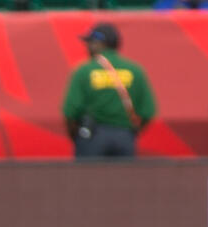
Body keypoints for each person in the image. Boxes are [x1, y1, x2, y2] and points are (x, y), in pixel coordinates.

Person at [64, 23, 153, 160]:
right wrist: (131, 132)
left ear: (99, 44)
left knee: (89, 180)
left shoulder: (84, 71)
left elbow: (70, 111)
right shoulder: (135, 71)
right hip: (124, 136)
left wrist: (76, 136)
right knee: (123, 180)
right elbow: (148, 112)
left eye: (90, 42)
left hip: (91, 137)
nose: (87, 46)